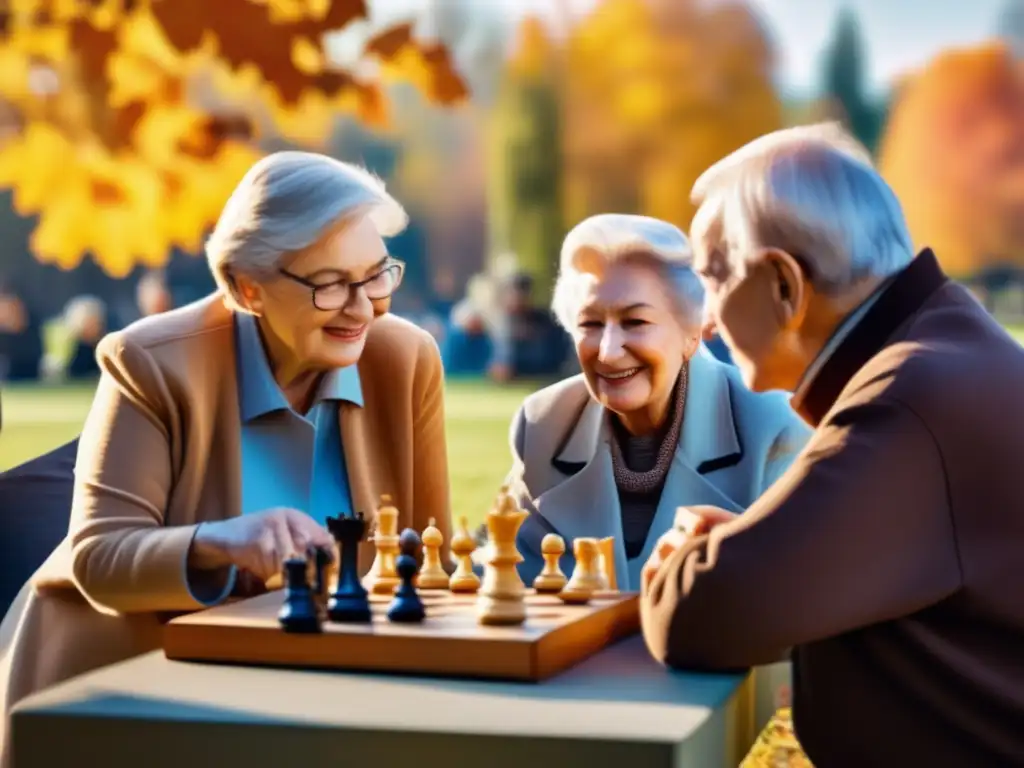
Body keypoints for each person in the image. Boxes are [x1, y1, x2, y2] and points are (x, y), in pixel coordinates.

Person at [0, 152, 452, 763]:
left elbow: (433, 560)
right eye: (330, 284)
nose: (365, 306)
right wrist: (220, 542)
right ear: (247, 287)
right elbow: (98, 557)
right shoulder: (151, 361)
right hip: (120, 695)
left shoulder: (405, 359)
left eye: (376, 275)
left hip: (301, 700)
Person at [640, 123, 1024, 766]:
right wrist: (755, 543)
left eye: (712, 279)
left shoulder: (905, 397)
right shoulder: (948, 350)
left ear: (785, 286)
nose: (704, 320)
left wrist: (687, 559)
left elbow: (702, 616)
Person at [503, 214, 810, 591]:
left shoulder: (773, 424)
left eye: (635, 322)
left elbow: (794, 595)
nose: (608, 352)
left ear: (690, 332)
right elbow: (508, 574)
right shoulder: (542, 424)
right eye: (591, 324)